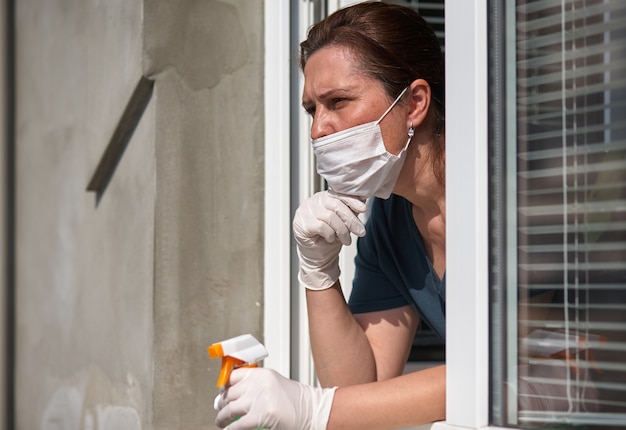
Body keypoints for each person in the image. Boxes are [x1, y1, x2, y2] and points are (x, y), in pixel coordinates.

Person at [215, 2, 446, 429]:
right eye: (311, 109)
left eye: (337, 101)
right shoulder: (390, 220)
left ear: (414, 103)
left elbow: (533, 371)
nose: (318, 129)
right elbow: (363, 384)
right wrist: (318, 271)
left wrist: (315, 409)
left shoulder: (504, 196)